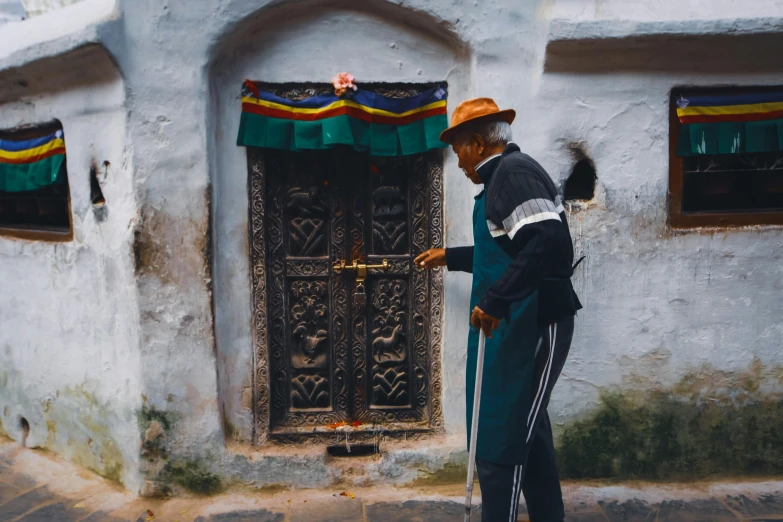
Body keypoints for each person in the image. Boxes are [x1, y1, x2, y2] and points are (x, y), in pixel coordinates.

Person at [415, 98, 582, 522]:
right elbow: (508, 251)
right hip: (515, 321)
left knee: (507, 432)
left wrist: (494, 299)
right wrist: (450, 257)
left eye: (457, 153)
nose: (458, 164)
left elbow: (548, 242)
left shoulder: (514, 173)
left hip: (536, 321)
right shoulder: (499, 181)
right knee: (528, 427)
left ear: (475, 144)